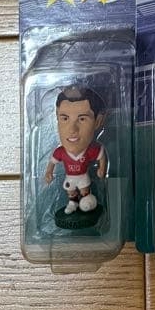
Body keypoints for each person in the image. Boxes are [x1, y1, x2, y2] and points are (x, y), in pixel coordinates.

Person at [44, 85, 107, 216]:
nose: (72, 129)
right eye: (65, 118)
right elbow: (52, 162)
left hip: (83, 176)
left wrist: (102, 168)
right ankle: (73, 204)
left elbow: (101, 155)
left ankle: (86, 201)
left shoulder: (89, 151)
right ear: (57, 117)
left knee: (84, 190)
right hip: (70, 177)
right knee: (71, 191)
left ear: (98, 122)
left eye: (82, 119)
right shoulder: (61, 152)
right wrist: (48, 172)